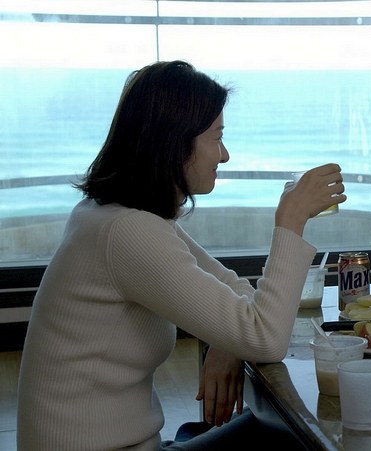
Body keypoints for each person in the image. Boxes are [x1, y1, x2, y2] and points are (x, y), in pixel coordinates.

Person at [16, 60, 346, 450]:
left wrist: (228, 338)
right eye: (217, 137)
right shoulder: (128, 232)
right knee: (290, 436)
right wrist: (290, 220)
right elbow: (265, 337)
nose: (224, 155)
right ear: (174, 141)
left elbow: (234, 293)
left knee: (274, 428)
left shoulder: (114, 215)